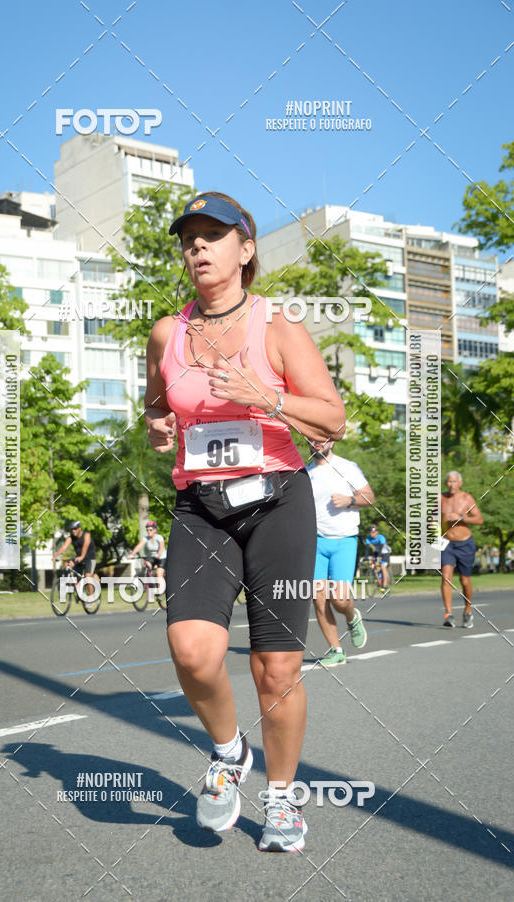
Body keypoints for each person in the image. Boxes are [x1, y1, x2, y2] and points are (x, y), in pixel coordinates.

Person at [143, 192, 345, 852]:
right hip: (202, 508)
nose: (196, 247)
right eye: (189, 238)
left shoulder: (278, 325)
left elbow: (332, 419)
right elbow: (155, 403)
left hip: (279, 502)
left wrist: (265, 396)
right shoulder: (168, 333)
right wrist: (156, 426)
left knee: (276, 668)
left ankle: (283, 798)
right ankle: (229, 755)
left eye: (212, 235)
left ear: (245, 250)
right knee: (193, 652)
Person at [306, 440, 375, 667]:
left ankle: (352, 617)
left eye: (320, 439)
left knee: (340, 599)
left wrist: (350, 500)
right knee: (319, 598)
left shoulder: (347, 467)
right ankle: (336, 650)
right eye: (311, 439)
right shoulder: (305, 472)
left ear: (331, 441)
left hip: (344, 540)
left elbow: (370, 497)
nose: (315, 443)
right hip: (316, 541)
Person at [440, 471, 483, 628]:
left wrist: (462, 518)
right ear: (446, 483)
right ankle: (449, 615)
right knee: (445, 578)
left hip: (465, 543)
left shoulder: (467, 498)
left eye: (455, 481)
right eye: (449, 481)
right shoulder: (440, 498)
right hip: (446, 544)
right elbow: (431, 517)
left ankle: (467, 610)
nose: (452, 484)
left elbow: (479, 519)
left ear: (460, 483)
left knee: (465, 580)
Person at [53, 521, 98, 595]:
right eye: (72, 529)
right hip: (79, 558)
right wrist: (56, 556)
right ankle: (74, 586)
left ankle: (91, 597)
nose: (73, 531)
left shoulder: (86, 535)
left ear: (79, 528)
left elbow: (85, 546)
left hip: (89, 559)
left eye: (75, 529)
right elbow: (64, 547)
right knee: (67, 565)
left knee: (87, 576)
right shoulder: (71, 538)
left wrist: (82, 556)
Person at [129, 520, 167, 587]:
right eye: (147, 530)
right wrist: (132, 554)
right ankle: (143, 581)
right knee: (146, 567)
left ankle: (160, 593)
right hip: (151, 557)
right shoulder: (146, 538)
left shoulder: (159, 537)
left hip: (161, 557)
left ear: (155, 530)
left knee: (159, 574)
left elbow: (161, 548)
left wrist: (158, 554)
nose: (149, 531)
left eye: (150, 530)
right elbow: (139, 546)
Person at [365, 525, 392, 589]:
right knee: (372, 565)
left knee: (382, 566)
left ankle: (385, 583)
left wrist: (378, 557)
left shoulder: (381, 537)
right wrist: (365, 557)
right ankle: (379, 581)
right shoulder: (368, 539)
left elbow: (381, 547)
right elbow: (367, 549)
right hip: (377, 552)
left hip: (385, 552)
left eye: (373, 532)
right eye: (370, 532)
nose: (371, 533)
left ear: (377, 532)